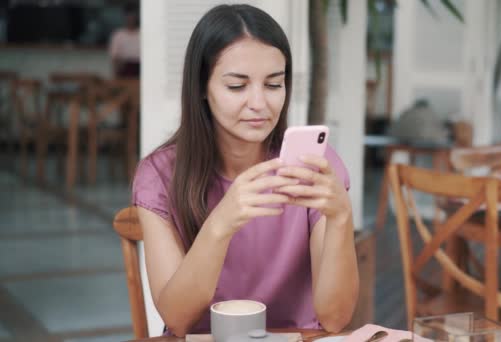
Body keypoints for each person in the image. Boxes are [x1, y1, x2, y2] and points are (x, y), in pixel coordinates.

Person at [131, 4, 359, 337]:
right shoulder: (159, 177)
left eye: (273, 84)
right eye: (237, 86)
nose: (258, 104)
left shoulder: (315, 168)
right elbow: (178, 321)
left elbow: (336, 319)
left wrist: (341, 219)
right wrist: (222, 222)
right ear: (201, 89)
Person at [108, 2, 140, 78]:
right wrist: (115, 74)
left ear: (136, 17)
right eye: (128, 15)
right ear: (124, 17)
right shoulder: (118, 35)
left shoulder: (144, 34)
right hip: (124, 69)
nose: (130, 18)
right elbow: (114, 58)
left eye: (132, 15)